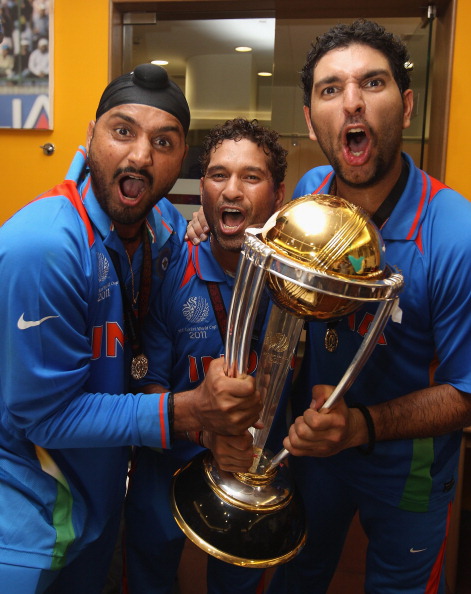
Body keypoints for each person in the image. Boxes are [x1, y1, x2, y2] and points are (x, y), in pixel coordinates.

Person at [187, 19, 471, 594]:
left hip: (406, 468)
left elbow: (468, 393)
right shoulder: (313, 194)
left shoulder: (456, 233)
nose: (353, 104)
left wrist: (362, 426)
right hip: (312, 451)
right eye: (330, 89)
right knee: (299, 577)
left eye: (373, 83)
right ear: (313, 119)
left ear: (408, 105)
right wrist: (208, 227)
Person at [0, 64, 261, 594]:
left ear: (180, 160)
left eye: (163, 142)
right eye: (123, 132)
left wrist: (207, 223)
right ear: (90, 137)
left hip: (97, 494)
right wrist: (190, 411)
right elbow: (44, 418)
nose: (141, 155)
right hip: (25, 510)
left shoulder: (162, 224)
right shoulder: (45, 247)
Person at [124, 118, 290, 594]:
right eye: (218, 175)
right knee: (150, 573)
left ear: (277, 195)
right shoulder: (169, 265)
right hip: (169, 457)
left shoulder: (294, 279)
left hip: (254, 467)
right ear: (203, 189)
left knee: (236, 584)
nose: (231, 190)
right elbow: (147, 383)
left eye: (250, 177)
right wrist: (204, 432)